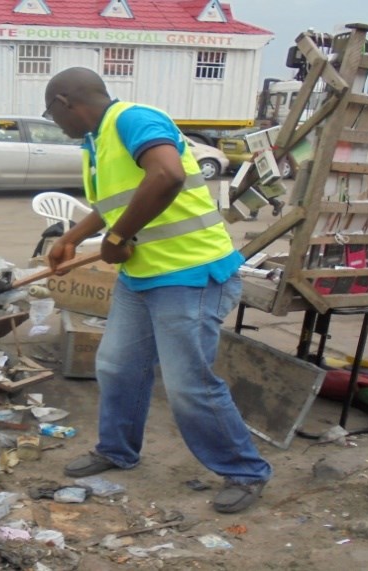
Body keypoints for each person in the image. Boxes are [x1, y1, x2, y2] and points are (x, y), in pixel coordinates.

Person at [42, 67, 272, 514]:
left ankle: (245, 472)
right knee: (116, 366)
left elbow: (165, 175)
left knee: (189, 384)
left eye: (52, 115)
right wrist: (74, 236)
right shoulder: (96, 142)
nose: (57, 125)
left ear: (65, 103)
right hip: (144, 276)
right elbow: (116, 205)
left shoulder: (133, 118)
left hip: (190, 275)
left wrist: (116, 238)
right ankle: (117, 450)